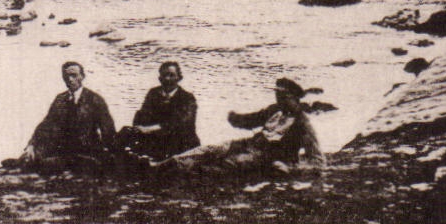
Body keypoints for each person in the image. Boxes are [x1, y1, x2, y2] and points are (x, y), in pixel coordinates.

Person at [156, 77, 324, 176]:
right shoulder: (274, 110)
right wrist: (234, 118)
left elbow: (317, 161)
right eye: (277, 95)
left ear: (295, 98)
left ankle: (192, 174)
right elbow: (251, 120)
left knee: (229, 164)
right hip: (249, 144)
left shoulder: (303, 125)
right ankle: (163, 167)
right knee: (209, 150)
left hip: (267, 156)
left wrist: (291, 168)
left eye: (284, 96)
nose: (279, 99)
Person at [18, 61, 116, 172]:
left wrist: (109, 153)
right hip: (63, 149)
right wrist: (32, 145)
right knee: (28, 159)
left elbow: (108, 130)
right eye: (66, 76)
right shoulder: (60, 99)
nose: (70, 79)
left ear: (82, 76)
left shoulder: (94, 99)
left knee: (46, 165)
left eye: (74, 75)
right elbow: (46, 125)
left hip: (87, 150)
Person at [117, 61, 199, 162]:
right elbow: (143, 114)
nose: (167, 79)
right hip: (156, 137)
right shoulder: (153, 93)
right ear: (159, 78)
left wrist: (152, 129)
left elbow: (181, 123)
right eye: (164, 75)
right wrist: (139, 127)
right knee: (126, 132)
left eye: (171, 75)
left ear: (179, 78)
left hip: (179, 139)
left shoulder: (187, 98)